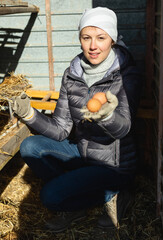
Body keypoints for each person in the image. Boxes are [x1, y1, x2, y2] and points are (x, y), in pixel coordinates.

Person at [11, 7, 142, 232]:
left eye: (101, 38)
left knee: (49, 196)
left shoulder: (126, 74)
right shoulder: (72, 74)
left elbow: (124, 128)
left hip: (112, 165)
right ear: (79, 38)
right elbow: (62, 129)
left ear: (111, 38)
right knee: (30, 146)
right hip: (82, 152)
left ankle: (116, 194)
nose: (93, 46)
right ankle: (77, 195)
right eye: (86, 37)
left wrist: (107, 116)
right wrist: (29, 114)